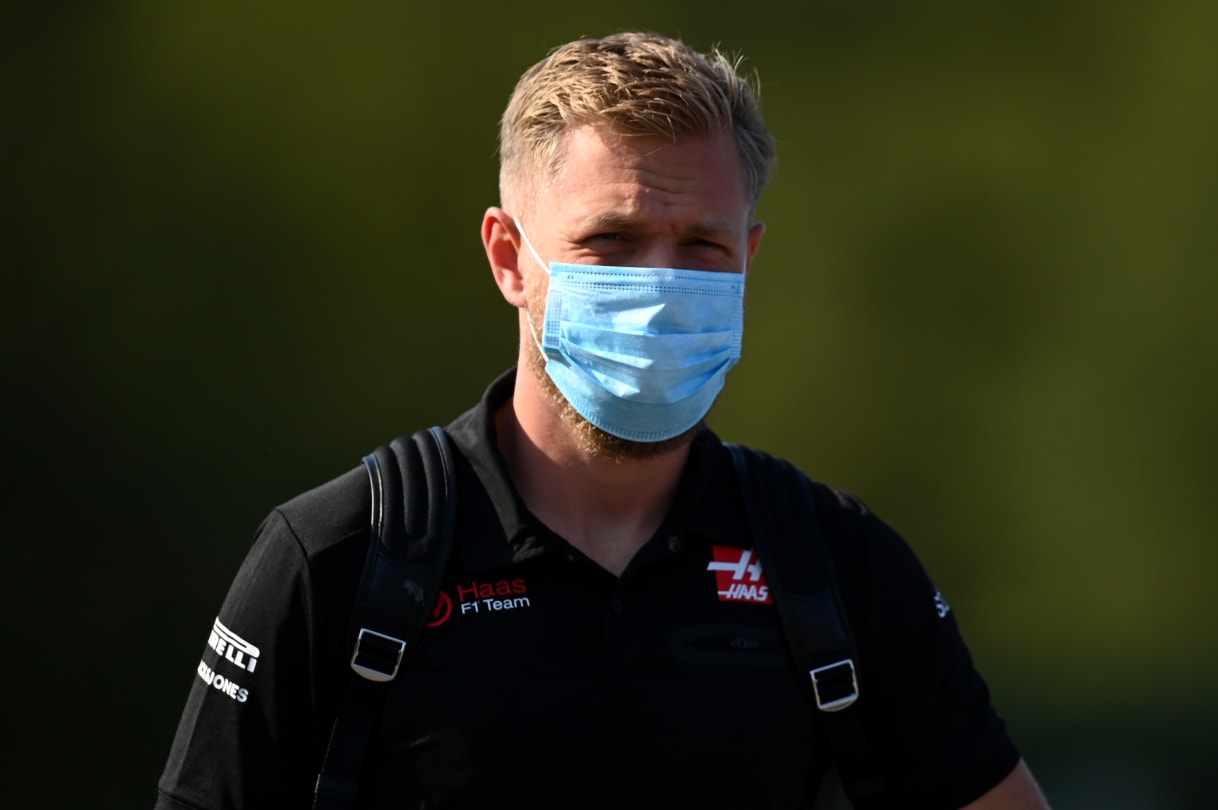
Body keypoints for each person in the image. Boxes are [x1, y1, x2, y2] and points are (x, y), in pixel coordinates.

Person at [155, 31, 1050, 810]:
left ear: (750, 258)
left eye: (703, 245)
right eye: (611, 242)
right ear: (510, 258)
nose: (661, 289)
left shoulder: (833, 566)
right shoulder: (344, 558)